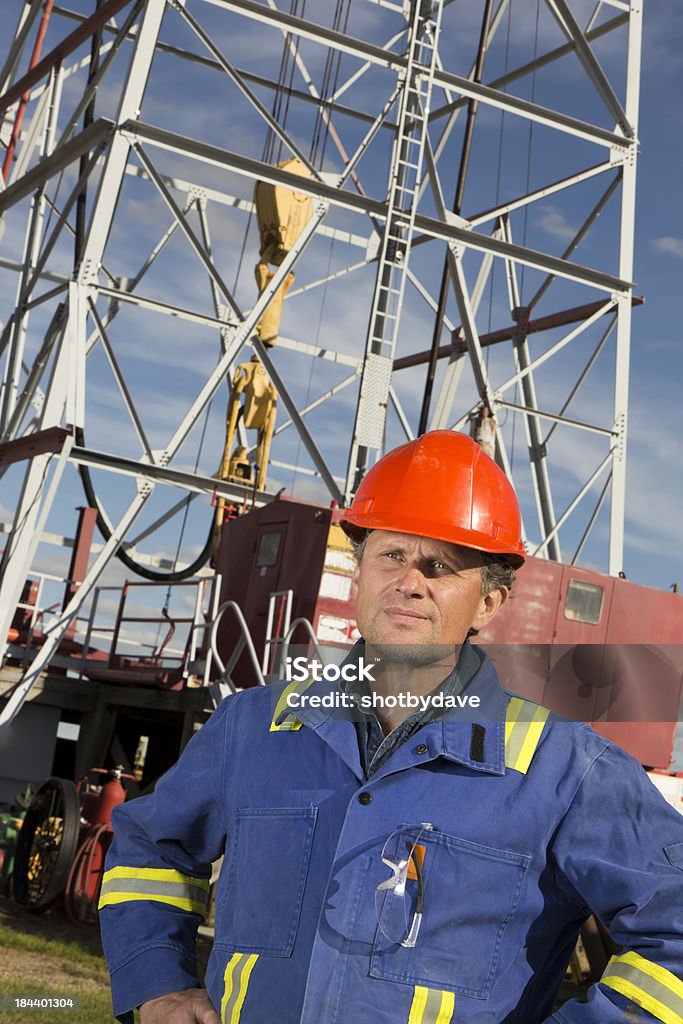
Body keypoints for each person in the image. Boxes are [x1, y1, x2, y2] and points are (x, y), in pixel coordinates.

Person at [98, 430, 683, 1024]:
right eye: (391, 555)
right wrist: (157, 985)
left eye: (440, 566)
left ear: (489, 603)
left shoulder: (565, 773)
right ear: (361, 571)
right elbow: (151, 849)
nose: (409, 581)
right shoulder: (253, 728)